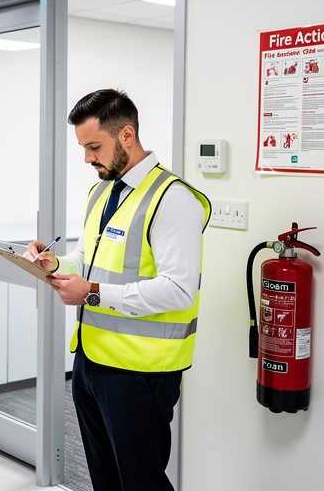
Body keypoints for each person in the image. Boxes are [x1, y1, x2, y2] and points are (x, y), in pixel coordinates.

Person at [24, 89, 210, 491]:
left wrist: (91, 292)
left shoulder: (171, 199)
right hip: (92, 361)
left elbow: (179, 290)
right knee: (106, 480)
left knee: (140, 482)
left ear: (127, 135)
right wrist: (55, 264)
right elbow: (87, 258)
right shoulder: (102, 191)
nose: (87, 158)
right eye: (83, 148)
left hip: (141, 372)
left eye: (94, 146)